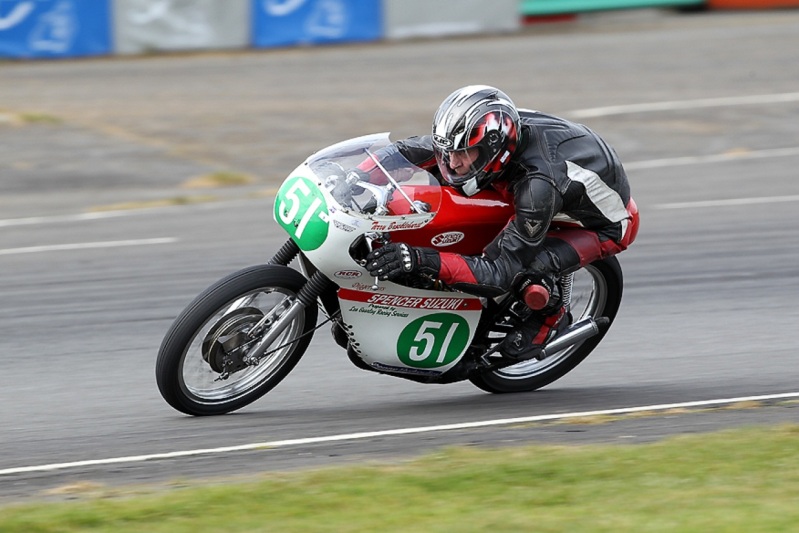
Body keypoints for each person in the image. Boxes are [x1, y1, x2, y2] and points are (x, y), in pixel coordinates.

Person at [363, 85, 639, 361]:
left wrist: (419, 259)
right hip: (549, 182)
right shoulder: (483, 137)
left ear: (493, 149)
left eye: (463, 153)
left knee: (527, 269)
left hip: (601, 225)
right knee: (449, 199)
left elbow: (499, 273)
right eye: (451, 152)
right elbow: (408, 151)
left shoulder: (537, 187)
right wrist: (357, 174)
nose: (453, 163)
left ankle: (551, 317)